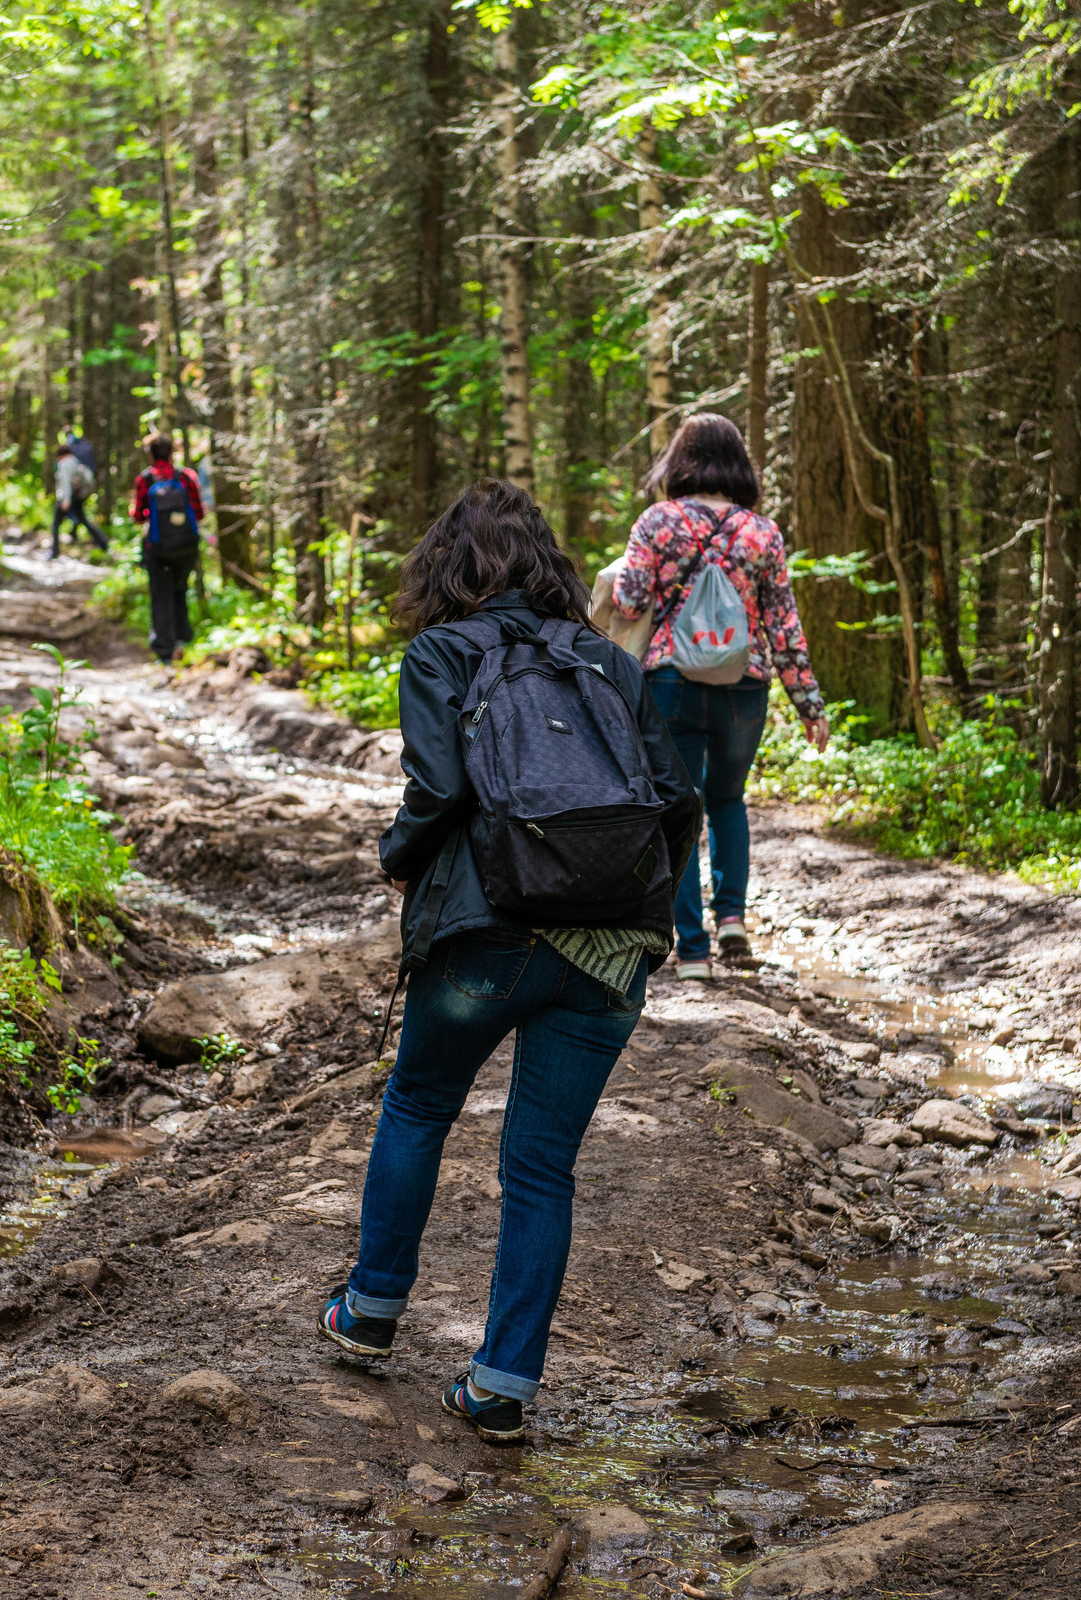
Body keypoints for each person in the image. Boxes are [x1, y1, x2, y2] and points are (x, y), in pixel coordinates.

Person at [316, 480, 701, 1444]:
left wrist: (398, 858)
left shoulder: (440, 652)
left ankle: (369, 1312)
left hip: (484, 932)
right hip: (609, 950)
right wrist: (638, 907)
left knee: (417, 1104)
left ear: (450, 566)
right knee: (541, 1167)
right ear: (549, 565)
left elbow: (437, 788)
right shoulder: (609, 664)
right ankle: (501, 1385)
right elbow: (677, 800)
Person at [611, 413, 831, 980]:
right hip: (744, 684)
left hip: (670, 682)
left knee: (681, 810)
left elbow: (631, 603)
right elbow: (784, 625)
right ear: (737, 464)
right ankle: (731, 918)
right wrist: (809, 704)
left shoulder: (657, 522)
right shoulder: (763, 532)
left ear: (679, 461)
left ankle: (692, 950)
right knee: (728, 800)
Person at [129, 435, 202, 663]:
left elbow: (139, 517)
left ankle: (165, 651)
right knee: (180, 590)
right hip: (186, 547)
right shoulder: (186, 477)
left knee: (161, 595)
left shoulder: (145, 479)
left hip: (157, 548)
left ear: (150, 454)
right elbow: (199, 512)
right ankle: (183, 640)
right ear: (172, 452)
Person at [52, 437, 108, 557]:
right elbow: (89, 478)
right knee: (84, 520)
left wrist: (66, 499)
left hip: (67, 498)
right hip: (78, 497)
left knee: (56, 524)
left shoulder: (65, 464)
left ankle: (54, 551)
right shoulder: (76, 461)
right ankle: (103, 543)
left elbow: (65, 482)